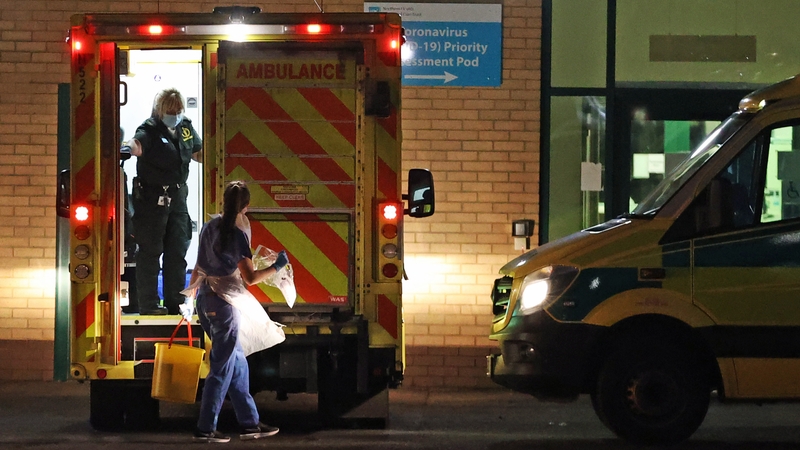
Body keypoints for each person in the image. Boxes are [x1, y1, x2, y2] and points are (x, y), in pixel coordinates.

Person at [188, 181, 288, 443]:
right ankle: (205, 428)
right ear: (247, 206)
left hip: (206, 299)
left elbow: (198, 266)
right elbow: (251, 278)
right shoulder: (237, 234)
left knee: (238, 364)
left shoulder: (210, 227)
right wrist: (278, 267)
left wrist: (190, 296)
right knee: (221, 367)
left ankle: (250, 424)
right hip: (225, 305)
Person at [124, 88, 202, 315]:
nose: (175, 115)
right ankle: (149, 305)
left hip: (177, 199)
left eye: (178, 110)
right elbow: (137, 144)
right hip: (151, 201)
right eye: (170, 111)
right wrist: (128, 149)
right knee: (150, 253)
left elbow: (197, 152)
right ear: (160, 110)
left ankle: (174, 303)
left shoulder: (185, 128)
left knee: (177, 252)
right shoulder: (149, 129)